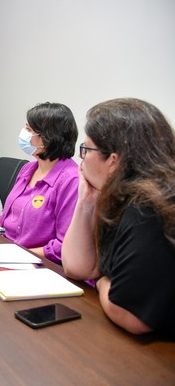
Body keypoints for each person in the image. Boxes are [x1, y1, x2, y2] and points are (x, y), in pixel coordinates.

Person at [62, 98, 175, 337]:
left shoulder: (148, 208)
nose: (81, 159)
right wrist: (86, 201)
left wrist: (102, 282)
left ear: (113, 161)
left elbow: (131, 315)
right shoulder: (116, 197)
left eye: (86, 149)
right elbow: (78, 267)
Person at [0, 102, 79, 265]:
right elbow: (7, 217)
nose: (23, 134)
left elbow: (63, 246)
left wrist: (16, 256)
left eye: (29, 130)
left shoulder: (71, 180)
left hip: (37, 264)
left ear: (49, 137)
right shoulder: (28, 168)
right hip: (6, 253)